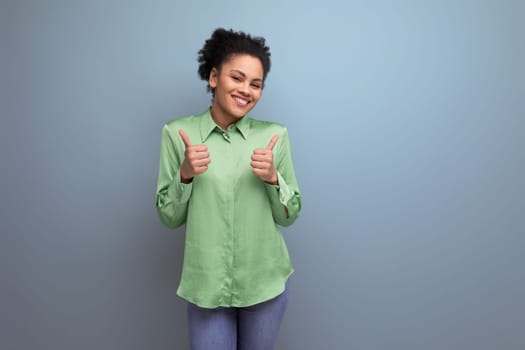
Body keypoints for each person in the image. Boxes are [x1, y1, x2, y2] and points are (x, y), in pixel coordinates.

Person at [155, 28, 302, 350]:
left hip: (265, 283)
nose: (246, 90)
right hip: (207, 286)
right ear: (213, 77)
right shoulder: (178, 133)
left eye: (256, 84)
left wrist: (274, 179)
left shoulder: (274, 136)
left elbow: (289, 216)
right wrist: (185, 174)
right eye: (237, 78)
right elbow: (169, 217)